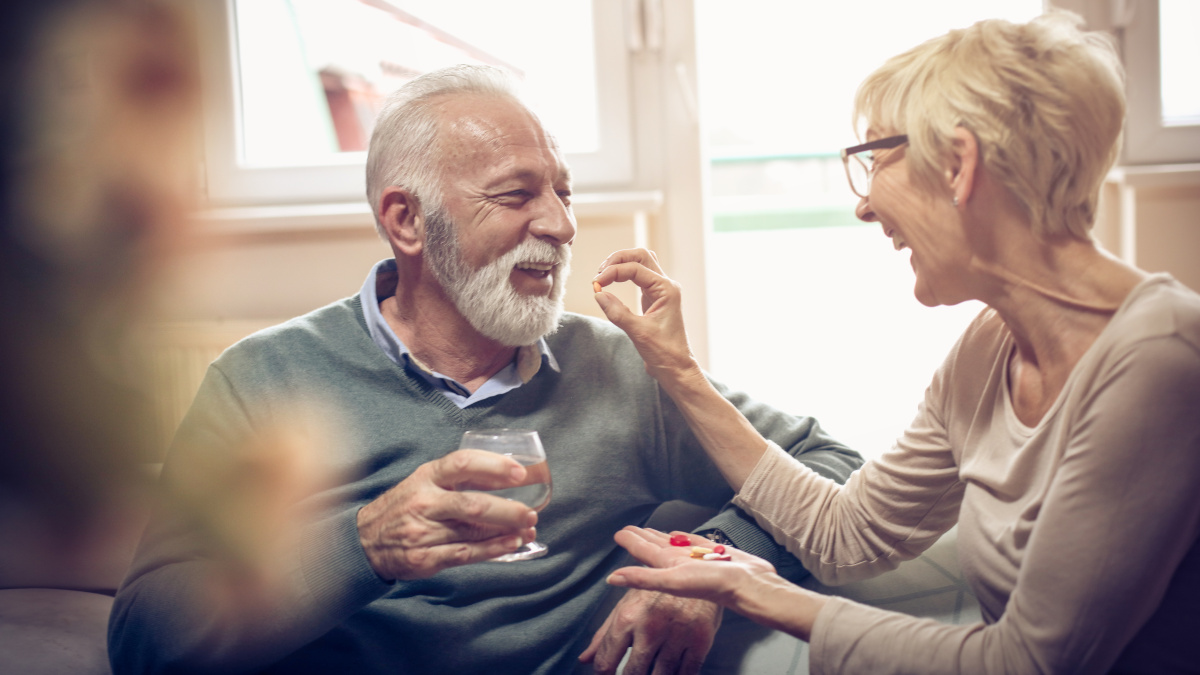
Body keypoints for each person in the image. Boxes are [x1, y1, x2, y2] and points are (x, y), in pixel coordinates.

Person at [107, 64, 863, 674]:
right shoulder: (262, 380)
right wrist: (366, 544)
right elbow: (143, 640)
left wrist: (708, 572)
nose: (562, 225)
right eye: (516, 194)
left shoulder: (616, 369)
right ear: (406, 220)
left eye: (563, 191)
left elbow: (832, 470)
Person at [592, 11, 1200, 675]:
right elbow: (844, 531)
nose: (863, 204)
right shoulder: (987, 347)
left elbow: (1028, 661)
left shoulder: (1162, 358)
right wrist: (677, 369)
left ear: (959, 165)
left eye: (875, 159)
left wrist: (756, 591)